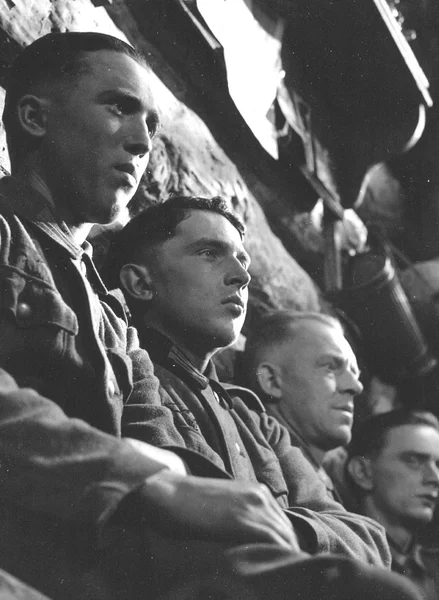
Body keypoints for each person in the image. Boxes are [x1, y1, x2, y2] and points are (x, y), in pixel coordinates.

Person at [0, 31, 417, 600]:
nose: (143, 140)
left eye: (151, 122)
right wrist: (146, 481)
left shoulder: (115, 322)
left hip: (109, 552)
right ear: (33, 116)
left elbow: (178, 462)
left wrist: (216, 504)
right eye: (119, 106)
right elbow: (161, 476)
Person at [106, 195, 394, 564]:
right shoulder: (123, 375)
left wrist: (289, 529)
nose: (242, 277)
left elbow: (368, 539)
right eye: (209, 253)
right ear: (141, 283)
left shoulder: (255, 422)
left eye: (243, 260)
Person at [243, 311, 362, 500]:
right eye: (330, 367)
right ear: (272, 381)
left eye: (355, 374)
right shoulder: (256, 470)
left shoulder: (320, 479)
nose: (355, 386)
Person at [346, 410, 439, 599]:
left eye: (438, 464)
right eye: (413, 460)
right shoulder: (342, 565)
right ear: (363, 473)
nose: (434, 478)